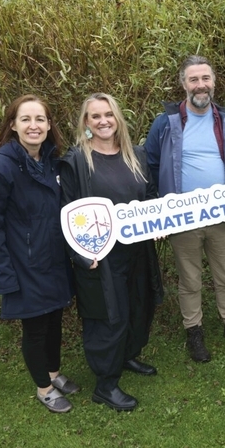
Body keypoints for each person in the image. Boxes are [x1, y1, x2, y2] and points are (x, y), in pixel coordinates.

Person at [145, 55, 225, 363]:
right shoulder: (165, 124)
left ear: (214, 82)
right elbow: (151, 165)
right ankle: (193, 330)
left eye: (205, 78)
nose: (200, 85)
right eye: (194, 79)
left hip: (221, 216)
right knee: (190, 279)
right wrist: (157, 212)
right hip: (182, 219)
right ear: (183, 84)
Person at [60, 93, 163, 411]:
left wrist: (156, 220)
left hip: (137, 249)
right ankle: (105, 384)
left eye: (109, 114)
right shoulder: (77, 160)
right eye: (95, 116)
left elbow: (148, 195)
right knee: (109, 315)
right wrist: (78, 255)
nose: (103, 120)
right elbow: (66, 211)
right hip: (101, 256)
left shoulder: (137, 154)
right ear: (86, 123)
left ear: (118, 119)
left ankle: (127, 356)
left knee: (137, 305)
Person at [0, 94, 79, 413]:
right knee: (36, 328)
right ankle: (44, 388)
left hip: (53, 259)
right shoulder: (0, 168)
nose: (33, 125)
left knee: (54, 320)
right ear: (13, 125)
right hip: (24, 264)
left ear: (49, 125)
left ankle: (53, 372)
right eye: (26, 119)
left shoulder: (50, 161)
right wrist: (6, 277)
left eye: (40, 119)